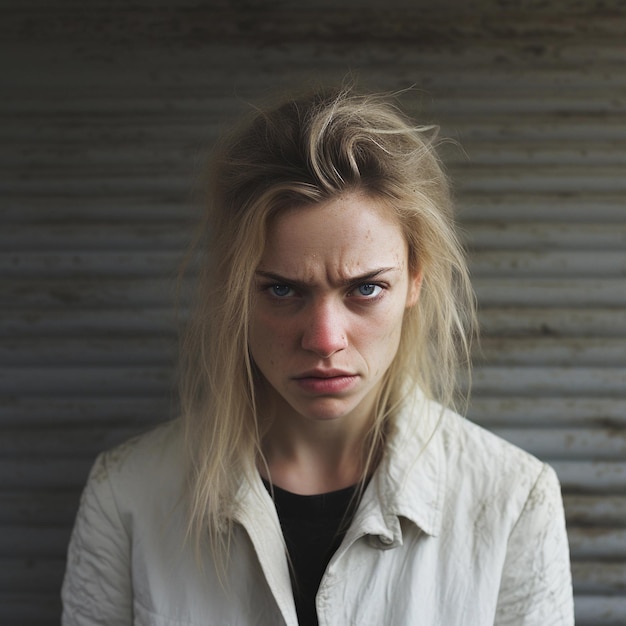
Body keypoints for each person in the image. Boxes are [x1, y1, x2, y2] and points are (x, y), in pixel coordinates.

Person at [62, 86, 574, 625]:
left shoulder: (514, 499)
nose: (325, 339)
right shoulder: (128, 494)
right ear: (236, 290)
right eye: (282, 290)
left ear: (415, 280)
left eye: (366, 289)